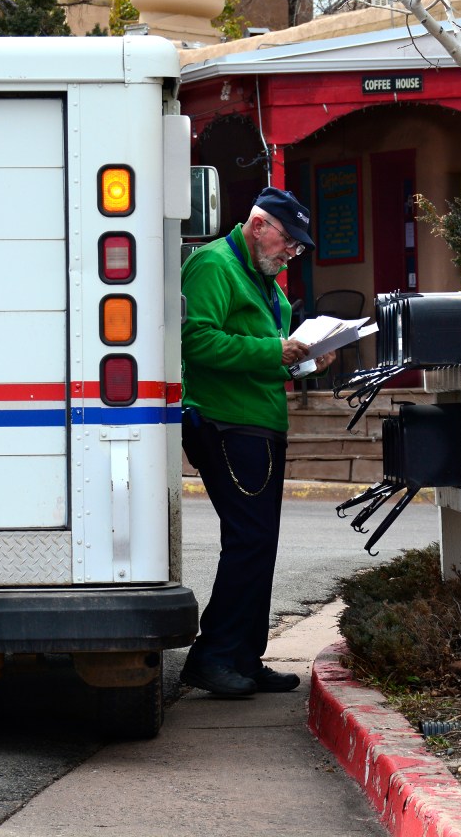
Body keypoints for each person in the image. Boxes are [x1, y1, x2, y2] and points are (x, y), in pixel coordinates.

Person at [179, 187, 335, 697]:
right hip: (226, 423)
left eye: (297, 247)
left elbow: (270, 355)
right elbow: (195, 341)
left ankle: (244, 657)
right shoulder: (213, 265)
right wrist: (276, 350)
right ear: (259, 224)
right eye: (289, 242)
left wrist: (308, 358)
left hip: (257, 423)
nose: (291, 253)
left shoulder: (263, 279)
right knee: (248, 542)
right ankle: (214, 657)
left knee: (258, 544)